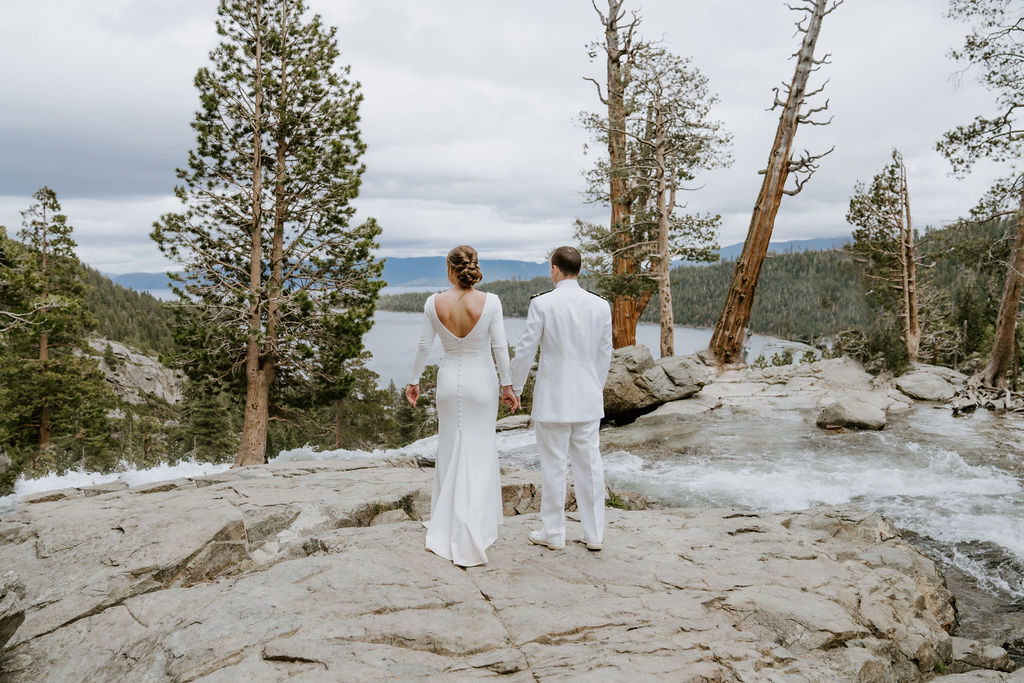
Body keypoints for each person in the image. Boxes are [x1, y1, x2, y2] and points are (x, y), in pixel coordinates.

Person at [407, 245, 520, 567]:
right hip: (481, 382)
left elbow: (423, 346)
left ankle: (449, 518)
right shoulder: (491, 302)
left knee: (450, 445)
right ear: (474, 267)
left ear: (450, 270)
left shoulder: (433, 302)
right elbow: (499, 346)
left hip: (447, 383)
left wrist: (414, 381)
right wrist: (509, 386)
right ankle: (474, 523)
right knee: (479, 449)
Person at [510, 246, 612, 552]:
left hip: (553, 399)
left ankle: (554, 532)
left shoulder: (542, 304)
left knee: (553, 466)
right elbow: (604, 352)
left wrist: (514, 386)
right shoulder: (600, 305)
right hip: (587, 397)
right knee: (590, 466)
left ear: (555, 269)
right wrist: (596, 386)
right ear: (578, 269)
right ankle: (594, 534)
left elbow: (526, 349)